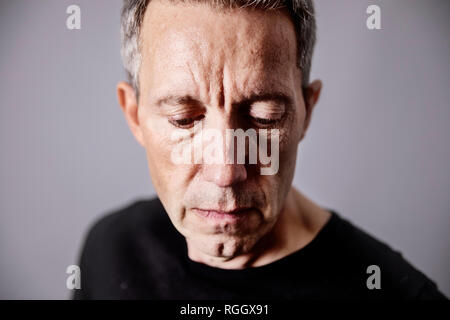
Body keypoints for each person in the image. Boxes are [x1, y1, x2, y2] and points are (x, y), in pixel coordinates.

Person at [73, 0, 446, 299]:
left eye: (265, 117)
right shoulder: (110, 251)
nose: (226, 172)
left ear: (306, 111)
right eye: (184, 119)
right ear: (134, 116)